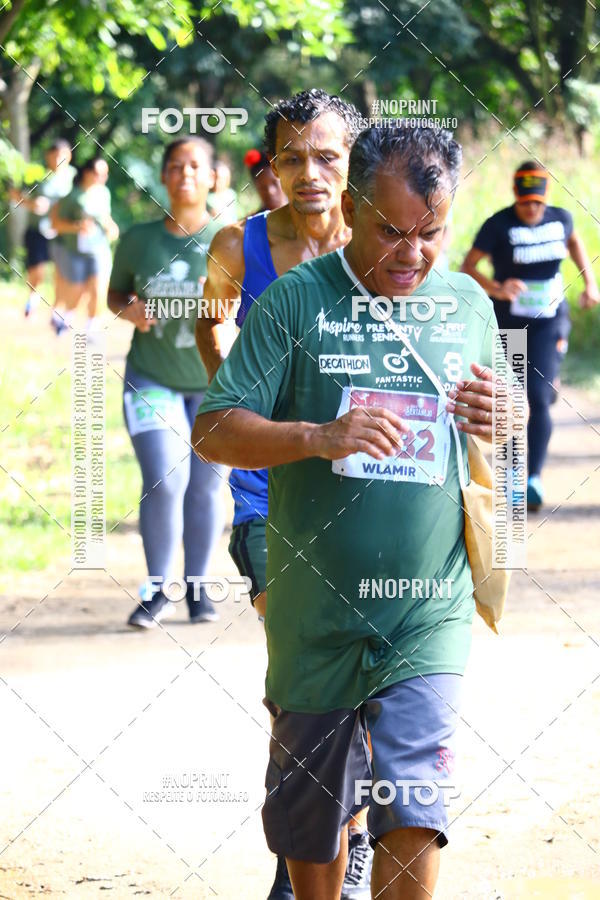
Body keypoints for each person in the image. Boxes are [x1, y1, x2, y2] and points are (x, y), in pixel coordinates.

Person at [193, 124, 500, 900]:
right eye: (392, 231)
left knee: (412, 804)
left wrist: (507, 417)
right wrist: (316, 434)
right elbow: (214, 427)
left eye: (432, 232)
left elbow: (493, 434)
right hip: (314, 615)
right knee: (314, 814)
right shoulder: (297, 300)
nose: (412, 253)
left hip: (428, 607)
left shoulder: (466, 303)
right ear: (354, 208)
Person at [196, 89, 371, 900]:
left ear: (352, 165)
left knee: (365, 669)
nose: (309, 174)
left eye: (327, 156)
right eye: (292, 157)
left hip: (363, 490)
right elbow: (210, 325)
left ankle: (354, 832)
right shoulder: (240, 246)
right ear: (273, 164)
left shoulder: (378, 249)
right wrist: (238, 403)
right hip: (268, 493)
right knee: (296, 668)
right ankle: (302, 845)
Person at [107, 137, 225, 628]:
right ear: (163, 176)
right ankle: (157, 591)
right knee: (164, 479)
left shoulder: (230, 239)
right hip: (151, 376)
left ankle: (198, 588)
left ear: (214, 177)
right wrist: (128, 310)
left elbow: (258, 302)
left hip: (215, 382)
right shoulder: (138, 239)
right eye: (175, 166)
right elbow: (115, 294)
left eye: (195, 166)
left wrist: (227, 310)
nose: (185, 175)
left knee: (206, 486)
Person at [462, 161, 599, 510]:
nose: (531, 209)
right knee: (512, 398)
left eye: (537, 202)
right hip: (510, 322)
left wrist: (590, 284)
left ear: (546, 197)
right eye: (525, 203)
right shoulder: (498, 225)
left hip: (549, 322)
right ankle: (511, 477)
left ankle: (532, 478)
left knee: (537, 397)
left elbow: (574, 242)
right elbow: (468, 266)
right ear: (516, 197)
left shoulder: (560, 219)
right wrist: (497, 287)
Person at [50, 156, 118, 336]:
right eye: (98, 174)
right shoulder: (72, 197)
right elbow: (55, 224)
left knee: (98, 289)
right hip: (75, 251)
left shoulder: (104, 193)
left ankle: (92, 329)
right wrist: (77, 227)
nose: (102, 178)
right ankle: (64, 319)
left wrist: (112, 228)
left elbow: (106, 218)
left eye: (105, 174)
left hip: (99, 250)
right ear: (87, 173)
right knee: (77, 291)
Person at [8, 139, 75, 317]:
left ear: (69, 156)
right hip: (37, 230)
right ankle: (32, 301)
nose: (58, 159)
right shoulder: (36, 175)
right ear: (48, 156)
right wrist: (32, 204)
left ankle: (58, 311)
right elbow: (16, 195)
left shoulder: (75, 178)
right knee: (37, 270)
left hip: (63, 233)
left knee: (62, 273)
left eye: (62, 155)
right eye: (54, 155)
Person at [243, 148, 286, 213]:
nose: (270, 192)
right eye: (263, 187)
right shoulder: (252, 221)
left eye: (275, 183)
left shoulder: (302, 216)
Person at [207, 159, 238, 225]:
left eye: (221, 179)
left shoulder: (231, 194)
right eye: (216, 178)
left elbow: (233, 216)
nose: (218, 182)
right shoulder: (207, 197)